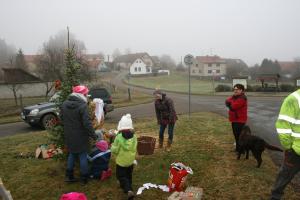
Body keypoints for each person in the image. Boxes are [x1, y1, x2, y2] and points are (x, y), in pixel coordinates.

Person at [60, 85, 97, 185]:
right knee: (82, 155)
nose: (86, 95)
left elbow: (62, 119)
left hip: (69, 135)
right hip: (81, 135)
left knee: (72, 153)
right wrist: (93, 135)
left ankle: (69, 176)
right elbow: (87, 123)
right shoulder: (82, 106)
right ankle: (84, 178)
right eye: (85, 94)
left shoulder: (64, 104)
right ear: (82, 94)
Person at [270, 89, 300, 200]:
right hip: (296, 151)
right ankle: (275, 197)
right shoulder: (294, 99)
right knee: (284, 176)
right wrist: (288, 147)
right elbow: (283, 127)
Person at [111, 114, 137, 200]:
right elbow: (134, 147)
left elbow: (115, 149)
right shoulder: (134, 137)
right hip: (130, 160)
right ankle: (129, 187)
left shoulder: (118, 137)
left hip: (121, 162)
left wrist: (112, 147)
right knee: (129, 175)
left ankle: (128, 190)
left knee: (121, 176)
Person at [225, 84, 247, 152]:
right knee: (236, 136)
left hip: (239, 120)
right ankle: (238, 149)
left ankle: (241, 150)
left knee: (239, 137)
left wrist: (230, 103)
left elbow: (233, 107)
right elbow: (227, 101)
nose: (235, 91)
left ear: (241, 90)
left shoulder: (242, 98)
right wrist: (230, 102)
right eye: (234, 89)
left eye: (237, 89)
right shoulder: (235, 97)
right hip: (234, 119)